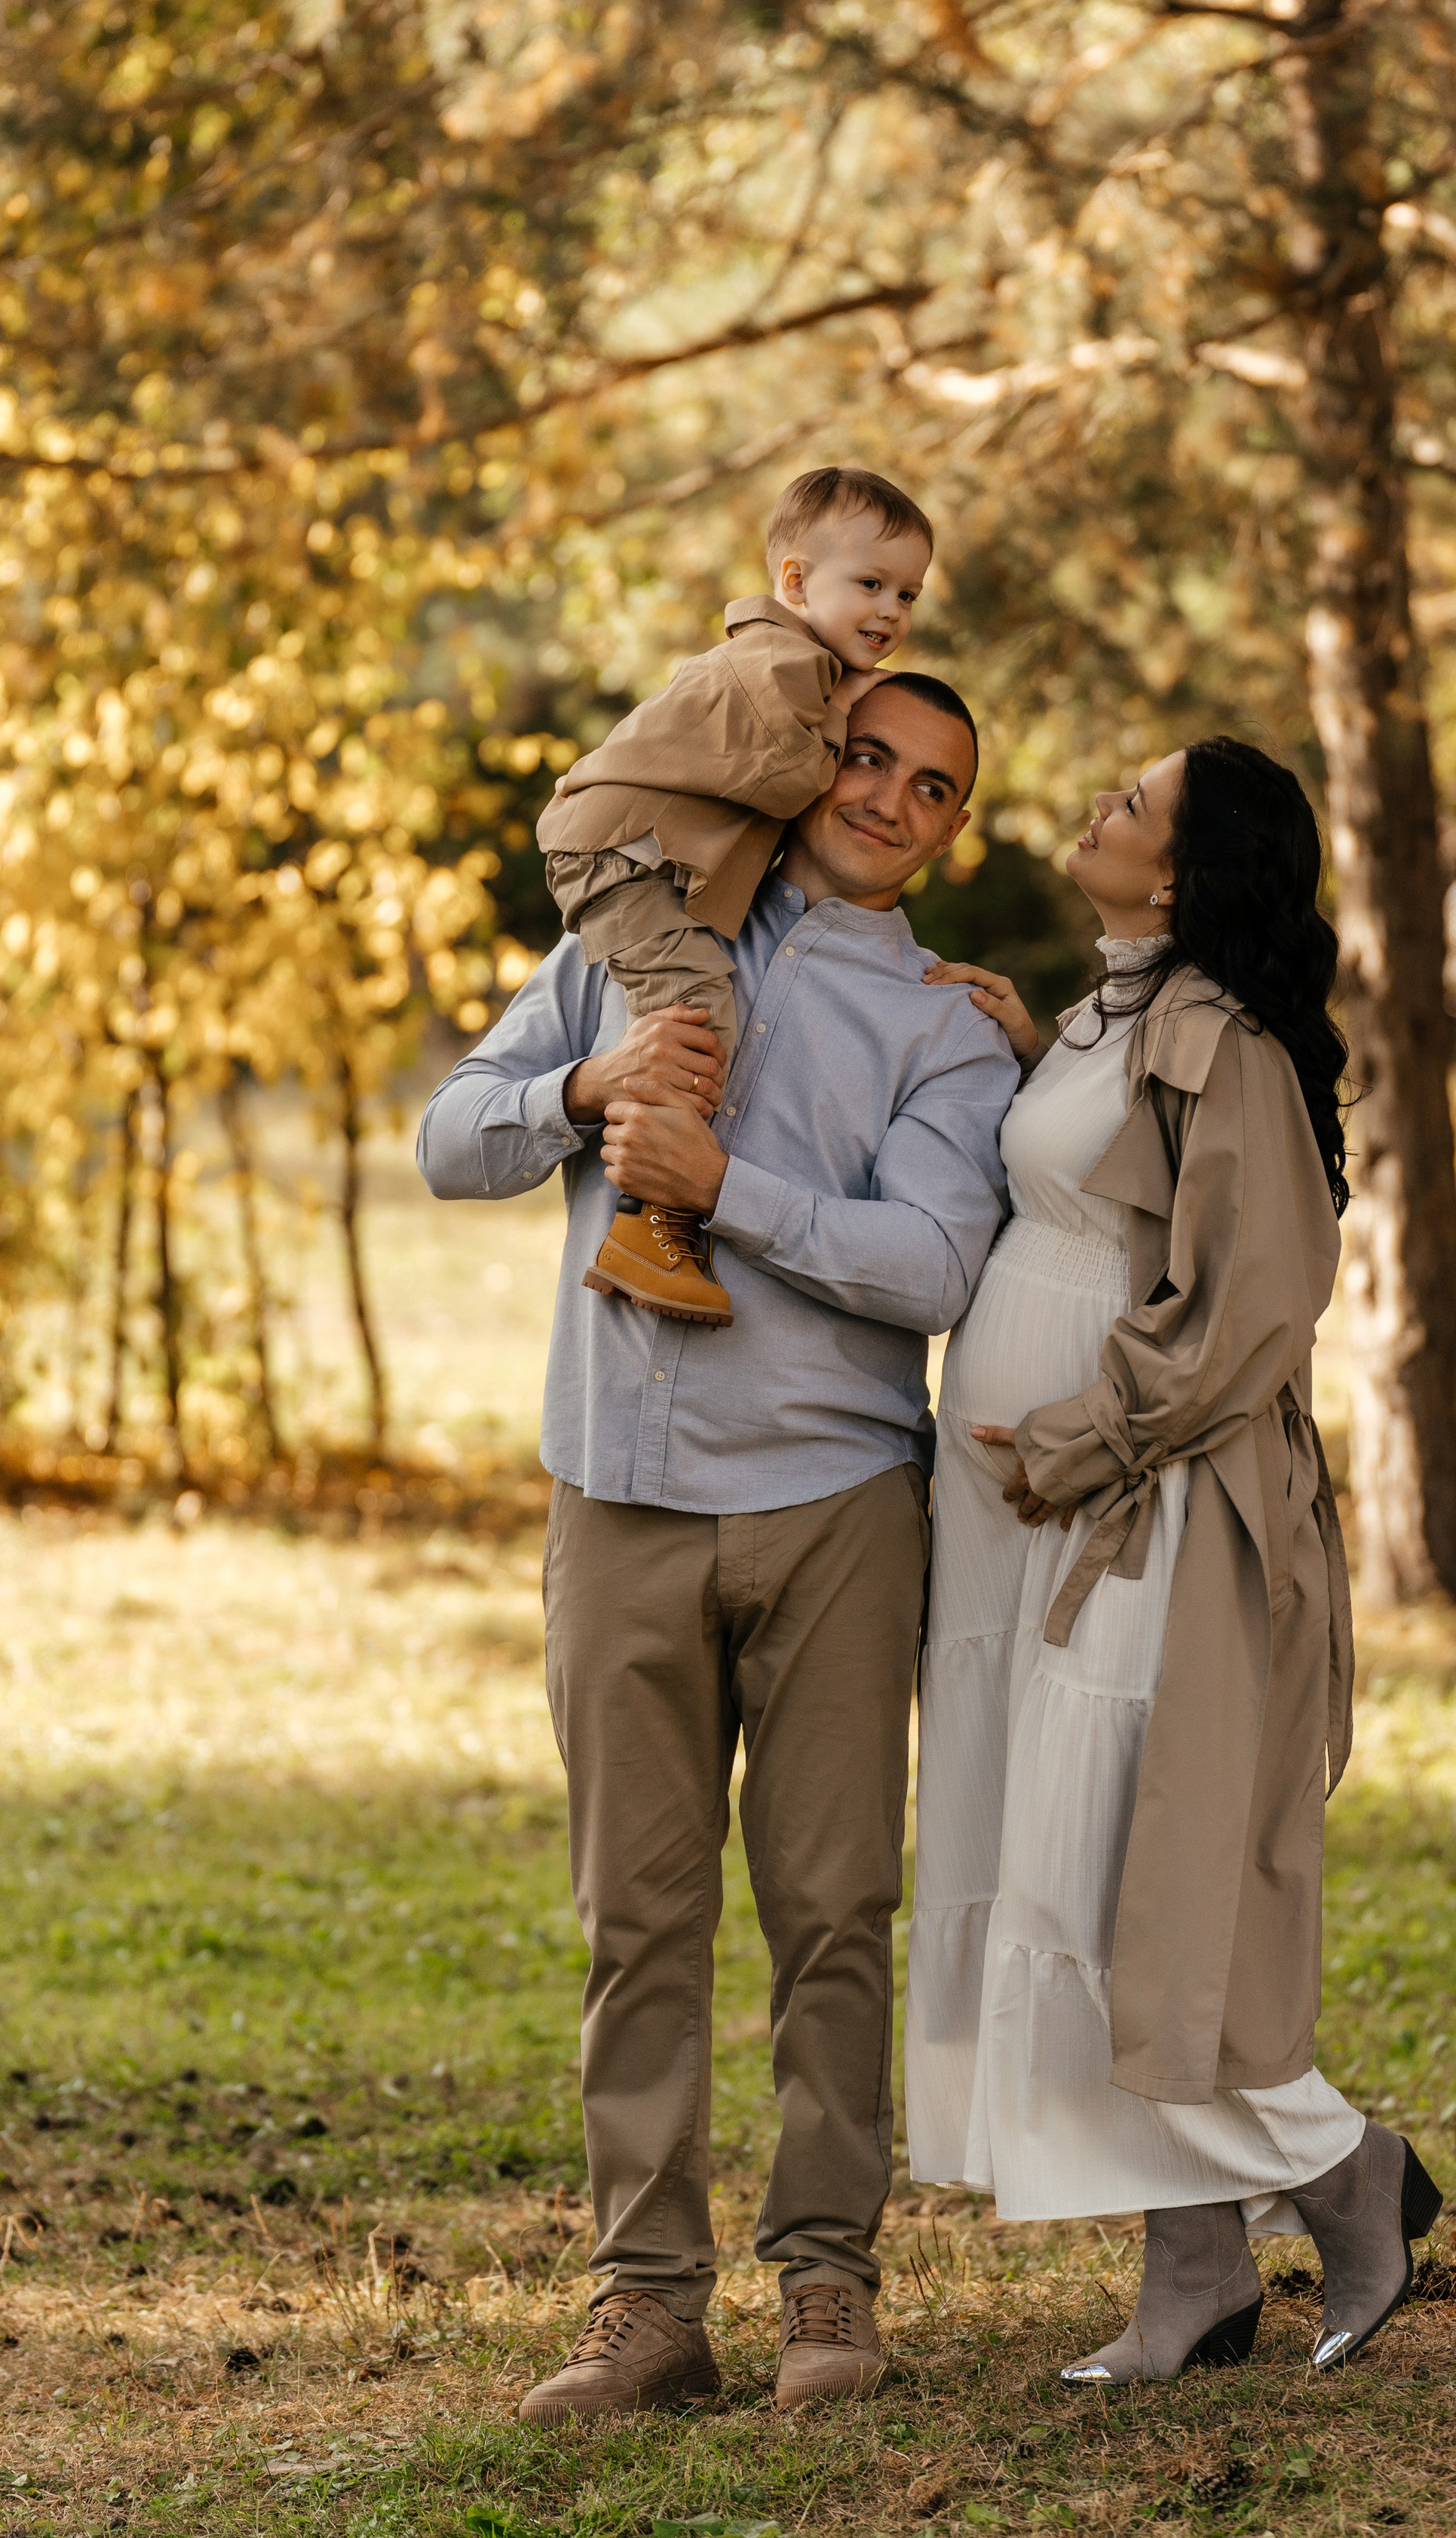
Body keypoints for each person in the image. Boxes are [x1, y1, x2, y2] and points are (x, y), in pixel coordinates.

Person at [418, 676, 1016, 2422]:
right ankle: (645, 2312)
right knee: (637, 1920)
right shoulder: (642, 933)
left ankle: (828, 2289)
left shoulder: (943, 1027)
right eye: (871, 755)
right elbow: (451, 1132)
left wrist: (720, 1178)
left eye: (935, 788)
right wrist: (583, 1088)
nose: (893, 798)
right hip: (616, 1496)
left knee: (832, 1913)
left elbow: (930, 1270)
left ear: (951, 829)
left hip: (833, 1506)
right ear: (806, 753)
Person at [906, 738, 1442, 2384]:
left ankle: (1347, 2174)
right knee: (1053, 1870)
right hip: (1026, 1522)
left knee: (1115, 1885)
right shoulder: (1110, 1016)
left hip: (1143, 1517)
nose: (1096, 807)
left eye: (1129, 803)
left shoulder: (1224, 1049)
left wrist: (1073, 1442)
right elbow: (1091, 1205)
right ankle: (1191, 2286)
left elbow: (1246, 1315)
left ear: (1185, 872)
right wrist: (1027, 1056)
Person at [535, 465, 934, 1324]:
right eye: (869, 584)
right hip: (617, 852)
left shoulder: (801, 666)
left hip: (635, 851)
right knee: (694, 1013)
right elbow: (792, 783)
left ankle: (657, 1217)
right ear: (793, 580)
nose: (892, 612)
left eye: (907, 593)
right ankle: (651, 1222)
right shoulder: (778, 663)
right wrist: (849, 713)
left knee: (694, 1001)